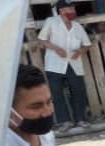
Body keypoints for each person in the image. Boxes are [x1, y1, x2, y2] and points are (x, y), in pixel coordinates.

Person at [38, 0, 91, 132]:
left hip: (74, 64)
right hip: (54, 64)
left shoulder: (77, 26)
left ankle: (80, 119)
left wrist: (80, 52)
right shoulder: (51, 22)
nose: (73, 11)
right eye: (70, 9)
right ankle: (65, 122)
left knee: (78, 91)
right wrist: (56, 49)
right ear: (61, 11)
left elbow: (87, 45)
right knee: (57, 94)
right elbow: (42, 39)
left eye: (73, 8)